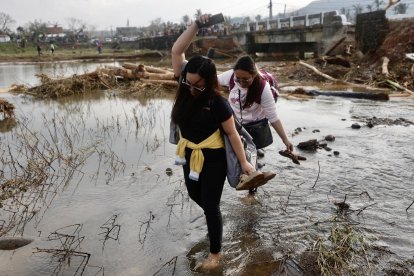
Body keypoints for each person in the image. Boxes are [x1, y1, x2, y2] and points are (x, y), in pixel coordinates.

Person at [171, 14, 261, 270]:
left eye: (198, 85)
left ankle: (216, 254)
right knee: (193, 194)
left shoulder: (217, 104)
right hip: (189, 153)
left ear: (209, 82)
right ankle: (217, 219)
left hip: (214, 159)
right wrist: (197, 25)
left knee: (210, 204)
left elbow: (233, 134)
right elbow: (177, 50)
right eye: (188, 82)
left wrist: (244, 162)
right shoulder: (185, 84)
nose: (191, 89)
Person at [217, 55, 294, 195]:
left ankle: (252, 192)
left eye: (245, 79)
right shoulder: (230, 76)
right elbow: (212, 81)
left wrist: (285, 139)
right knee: (234, 155)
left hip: (254, 126)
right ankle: (242, 179)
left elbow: (273, 117)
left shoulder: (263, 88)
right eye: (237, 78)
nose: (240, 81)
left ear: (254, 74)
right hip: (235, 124)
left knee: (251, 157)